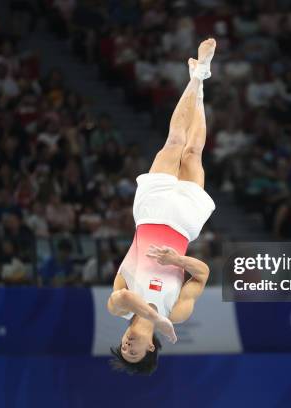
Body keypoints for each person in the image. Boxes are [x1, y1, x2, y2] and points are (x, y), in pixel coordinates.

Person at [107, 39, 217, 375]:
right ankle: (199, 78)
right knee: (193, 152)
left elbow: (126, 299)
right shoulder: (176, 313)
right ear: (151, 347)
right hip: (183, 224)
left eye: (124, 349)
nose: (127, 347)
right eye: (135, 353)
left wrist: (154, 318)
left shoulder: (119, 307)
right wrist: (177, 260)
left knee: (173, 141)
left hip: (152, 214)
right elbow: (203, 275)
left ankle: (198, 77)